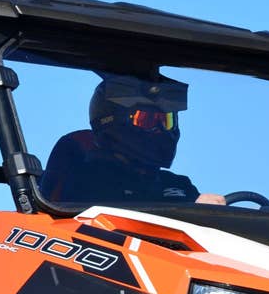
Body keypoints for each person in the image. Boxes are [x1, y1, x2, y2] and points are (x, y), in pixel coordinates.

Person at [40, 74, 225, 205]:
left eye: (166, 122)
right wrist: (190, 208)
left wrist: (208, 211)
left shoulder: (178, 184)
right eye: (146, 120)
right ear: (113, 120)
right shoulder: (85, 178)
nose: (160, 131)